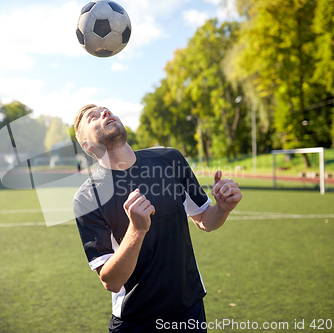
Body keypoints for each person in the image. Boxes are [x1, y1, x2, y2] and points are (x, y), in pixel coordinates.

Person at [72, 104, 242, 332]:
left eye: (107, 110)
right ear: (87, 145)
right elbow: (111, 281)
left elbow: (204, 219)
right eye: (93, 117)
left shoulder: (170, 160)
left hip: (189, 309)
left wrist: (222, 208)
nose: (105, 113)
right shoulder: (87, 197)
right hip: (136, 321)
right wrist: (136, 230)